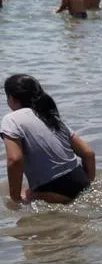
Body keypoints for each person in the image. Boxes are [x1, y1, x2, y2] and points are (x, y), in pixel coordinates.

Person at [2, 74, 96, 206]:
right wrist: (88, 186)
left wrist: (15, 198)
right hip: (81, 182)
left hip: (53, 190)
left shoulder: (11, 119)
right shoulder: (49, 116)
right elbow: (88, 154)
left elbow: (15, 160)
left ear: (11, 98)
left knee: (17, 197)